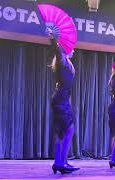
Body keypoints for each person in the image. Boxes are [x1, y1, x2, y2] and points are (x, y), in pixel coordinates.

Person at [47, 28, 79, 174]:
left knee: (61, 132)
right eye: (71, 48)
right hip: (60, 100)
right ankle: (61, 162)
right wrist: (53, 39)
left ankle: (59, 162)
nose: (74, 50)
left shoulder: (66, 64)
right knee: (69, 130)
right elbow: (57, 51)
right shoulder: (61, 60)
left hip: (61, 99)